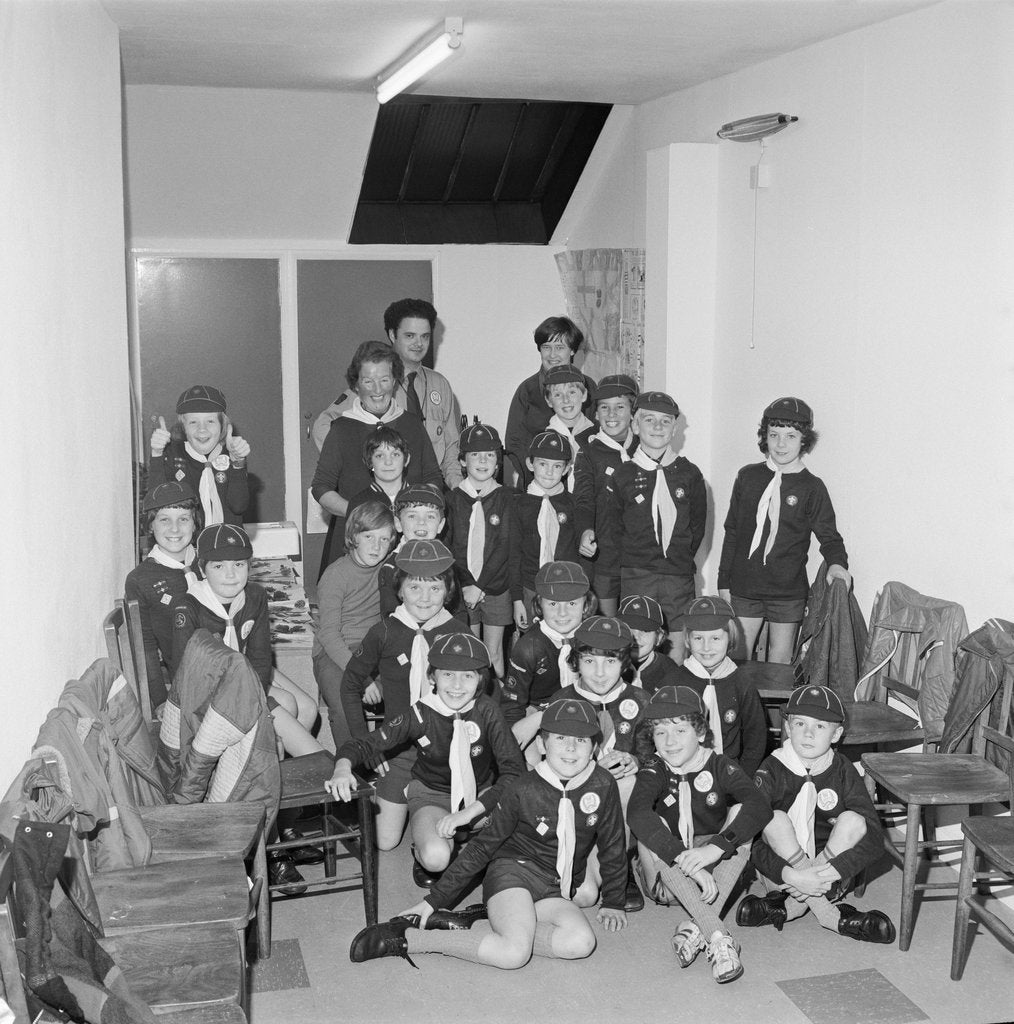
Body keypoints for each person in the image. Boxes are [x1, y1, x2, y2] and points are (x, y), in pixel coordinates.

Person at [348, 698, 628, 970]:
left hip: (555, 883)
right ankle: (411, 939)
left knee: (580, 942)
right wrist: (434, 900)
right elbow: (482, 847)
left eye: (581, 740)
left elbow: (613, 842)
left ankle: (480, 925)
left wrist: (614, 901)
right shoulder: (522, 788)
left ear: (594, 748)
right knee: (512, 954)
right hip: (513, 874)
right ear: (542, 744)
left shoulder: (603, 784)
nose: (570, 748)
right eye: (560, 738)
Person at [326, 632, 523, 888]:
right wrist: (342, 767)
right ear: (432, 677)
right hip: (433, 795)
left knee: (522, 844)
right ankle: (424, 848)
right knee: (437, 858)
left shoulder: (487, 710)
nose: (457, 685)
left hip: (480, 796)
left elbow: (514, 771)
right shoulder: (421, 713)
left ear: (481, 681)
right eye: (447, 674)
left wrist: (469, 813)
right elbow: (367, 743)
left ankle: (467, 840)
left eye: (468, 676)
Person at [627, 686, 772, 984]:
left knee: (741, 816)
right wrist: (682, 857)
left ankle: (699, 930)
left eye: (680, 730)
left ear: (701, 733)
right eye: (660, 732)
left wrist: (716, 848)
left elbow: (760, 805)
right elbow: (637, 813)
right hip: (667, 879)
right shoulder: (655, 767)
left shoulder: (719, 764)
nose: (669, 742)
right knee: (652, 828)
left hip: (713, 871)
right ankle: (718, 936)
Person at [737, 685, 895, 944]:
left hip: (831, 879)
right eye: (800, 723)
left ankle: (787, 908)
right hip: (782, 876)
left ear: (837, 734)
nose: (808, 734)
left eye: (820, 726)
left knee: (854, 821)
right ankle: (832, 917)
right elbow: (750, 842)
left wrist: (827, 873)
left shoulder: (843, 769)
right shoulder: (772, 768)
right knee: (773, 818)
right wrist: (793, 875)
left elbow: (875, 839)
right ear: (788, 727)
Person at [339, 539, 469, 849]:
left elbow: (481, 689)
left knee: (454, 832)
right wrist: (367, 745)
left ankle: (424, 823)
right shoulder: (385, 631)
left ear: (448, 592)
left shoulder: (458, 631)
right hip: (397, 749)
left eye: (435, 588)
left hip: (444, 751)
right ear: (400, 589)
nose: (425, 598)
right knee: (384, 842)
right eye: (415, 588)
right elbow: (349, 685)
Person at [513, 615, 648, 913]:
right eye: (589, 662)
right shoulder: (564, 699)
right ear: (575, 662)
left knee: (626, 783)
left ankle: (623, 870)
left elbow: (659, 755)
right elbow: (515, 741)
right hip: (576, 809)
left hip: (622, 812)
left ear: (625, 662)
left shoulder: (640, 700)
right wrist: (543, 715)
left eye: (610, 663)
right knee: (582, 896)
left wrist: (635, 760)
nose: (599, 673)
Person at [170, 524, 323, 758]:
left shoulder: (254, 595)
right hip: (212, 694)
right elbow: (188, 678)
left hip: (246, 674)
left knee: (309, 711)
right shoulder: (189, 607)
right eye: (219, 566)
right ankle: (268, 765)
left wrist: (257, 700)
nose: (230, 575)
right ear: (202, 570)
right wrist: (255, 714)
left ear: (250, 567)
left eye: (239, 565)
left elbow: (260, 656)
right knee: (288, 709)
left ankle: (277, 770)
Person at [718, 397, 851, 664]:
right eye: (774, 435)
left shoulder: (812, 487)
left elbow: (829, 536)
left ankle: (779, 707)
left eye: (791, 436)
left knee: (779, 664)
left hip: (787, 590)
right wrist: (723, 580)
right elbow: (732, 530)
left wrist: (838, 564)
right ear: (764, 437)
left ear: (804, 440)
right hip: (745, 584)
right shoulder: (747, 477)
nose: (781, 444)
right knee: (737, 658)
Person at [311, 340, 442, 578]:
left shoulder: (411, 424)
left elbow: (433, 477)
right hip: (356, 541)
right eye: (368, 381)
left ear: (394, 381)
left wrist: (415, 516)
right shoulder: (341, 429)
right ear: (356, 385)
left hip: (408, 541)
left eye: (384, 380)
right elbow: (321, 488)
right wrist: (360, 515)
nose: (377, 389)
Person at [601, 391, 706, 664]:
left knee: (677, 647)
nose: (657, 427)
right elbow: (613, 530)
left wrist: (679, 559)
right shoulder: (622, 475)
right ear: (635, 426)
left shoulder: (690, 473)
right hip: (637, 573)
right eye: (649, 420)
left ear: (675, 429)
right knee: (636, 644)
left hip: (677, 575)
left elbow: (697, 527)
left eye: (665, 421)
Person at [312, 298, 462, 487]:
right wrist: (360, 466)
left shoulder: (439, 385)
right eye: (410, 335)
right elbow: (322, 426)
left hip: (429, 492)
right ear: (392, 334)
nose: (418, 343)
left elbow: (450, 448)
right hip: (384, 494)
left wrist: (459, 491)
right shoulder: (377, 386)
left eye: (424, 336)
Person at [313, 500, 397, 750]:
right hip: (335, 651)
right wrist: (361, 676)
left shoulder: (390, 566)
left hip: (374, 646)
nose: (376, 546)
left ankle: (391, 758)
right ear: (353, 537)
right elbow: (329, 635)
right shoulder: (336, 575)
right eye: (368, 536)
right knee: (343, 701)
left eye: (384, 539)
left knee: (405, 686)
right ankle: (352, 765)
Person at [444, 423, 514, 680]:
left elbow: (504, 546)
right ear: (462, 460)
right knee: (469, 653)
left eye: (489, 455)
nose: (482, 461)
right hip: (463, 588)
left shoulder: (507, 498)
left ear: (498, 462)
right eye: (474, 455)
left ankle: (498, 709)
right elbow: (450, 548)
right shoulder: (451, 500)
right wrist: (466, 586)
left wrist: (481, 586)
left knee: (494, 652)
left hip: (495, 586)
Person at [124, 481, 201, 711]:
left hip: (233, 661)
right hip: (193, 683)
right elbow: (145, 649)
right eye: (164, 519)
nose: (175, 529)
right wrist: (159, 701)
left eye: (183, 519)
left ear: (195, 522)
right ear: (150, 526)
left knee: (304, 708)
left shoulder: (211, 562)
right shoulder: (141, 580)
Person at [501, 562, 595, 747]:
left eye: (572, 603)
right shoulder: (529, 647)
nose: (562, 613)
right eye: (553, 603)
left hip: (587, 708)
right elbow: (511, 706)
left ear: (586, 604)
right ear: (539, 604)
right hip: (539, 713)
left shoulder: (593, 639)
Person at [673, 596, 768, 777]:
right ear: (687, 640)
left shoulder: (742, 682)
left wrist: (742, 777)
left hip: (728, 772)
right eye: (698, 638)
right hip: (681, 772)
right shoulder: (674, 682)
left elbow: (756, 737)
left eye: (715, 638)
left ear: (730, 639)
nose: (706, 647)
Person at [504, 316, 596, 488]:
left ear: (572, 350)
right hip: (537, 484)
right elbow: (514, 443)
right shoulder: (527, 390)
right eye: (547, 347)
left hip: (585, 484)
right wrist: (541, 477)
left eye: (560, 347)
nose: (552, 355)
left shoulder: (588, 387)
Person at [574, 374, 640, 615]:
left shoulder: (645, 448)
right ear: (596, 414)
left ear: (633, 411)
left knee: (639, 622)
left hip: (639, 558)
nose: (612, 414)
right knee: (608, 625)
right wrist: (585, 531)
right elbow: (583, 500)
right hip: (605, 556)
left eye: (620, 407)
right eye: (605, 407)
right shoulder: (588, 452)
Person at [147, 384, 251, 526]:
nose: (202, 429)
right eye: (193, 422)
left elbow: (238, 506)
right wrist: (157, 454)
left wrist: (238, 463)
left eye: (210, 421)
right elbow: (157, 506)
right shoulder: (173, 454)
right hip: (188, 544)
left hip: (228, 542)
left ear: (222, 426)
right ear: (183, 427)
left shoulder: (231, 455)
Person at [509, 429, 579, 630]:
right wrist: (517, 600)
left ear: (566, 469)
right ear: (530, 464)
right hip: (530, 588)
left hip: (566, 590)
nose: (549, 472)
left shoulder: (573, 504)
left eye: (557, 466)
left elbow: (578, 555)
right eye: (543, 464)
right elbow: (514, 555)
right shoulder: (518, 505)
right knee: (531, 648)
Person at [377, 483, 450, 615]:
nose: (421, 522)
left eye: (430, 516)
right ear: (398, 524)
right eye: (412, 516)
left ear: (441, 525)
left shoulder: (447, 562)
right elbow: (389, 617)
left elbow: (457, 611)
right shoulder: (391, 567)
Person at [542, 364, 594, 486]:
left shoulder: (598, 434)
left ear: (584, 395)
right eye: (558, 395)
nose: (566, 400)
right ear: (548, 400)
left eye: (572, 392)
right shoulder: (543, 439)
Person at [617, 595, 680, 694]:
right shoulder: (607, 666)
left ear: (658, 637)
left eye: (645, 630)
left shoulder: (669, 670)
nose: (636, 637)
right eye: (629, 629)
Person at [345, 425, 410, 519]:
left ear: (406, 459)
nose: (388, 462)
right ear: (369, 462)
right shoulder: (358, 503)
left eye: (395, 454)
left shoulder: (422, 499)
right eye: (380, 456)